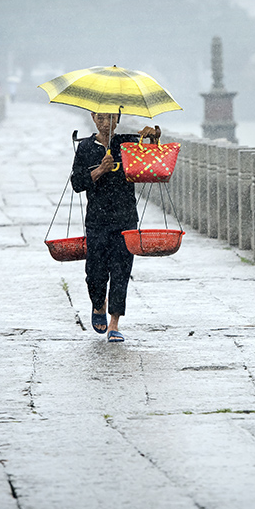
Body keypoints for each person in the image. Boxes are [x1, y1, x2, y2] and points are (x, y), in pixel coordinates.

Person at [70, 111, 158, 342]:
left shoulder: (127, 144)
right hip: (97, 219)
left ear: (117, 119)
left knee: (121, 271)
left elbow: (152, 166)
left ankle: (114, 323)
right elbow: (77, 183)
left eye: (110, 117)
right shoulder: (86, 148)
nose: (105, 122)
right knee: (95, 274)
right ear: (92, 118)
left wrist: (153, 138)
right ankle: (98, 304)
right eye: (100, 117)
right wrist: (100, 170)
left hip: (125, 217)